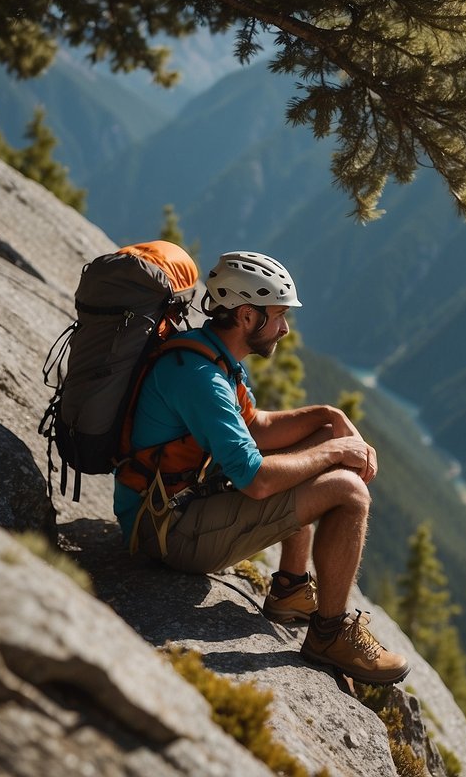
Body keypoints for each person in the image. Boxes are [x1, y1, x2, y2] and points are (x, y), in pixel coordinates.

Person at [113, 250, 410, 685]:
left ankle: (290, 588)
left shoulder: (213, 355)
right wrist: (335, 454)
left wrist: (330, 419)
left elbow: (257, 427)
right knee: (349, 491)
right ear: (247, 316)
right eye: (278, 316)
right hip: (165, 530)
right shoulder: (203, 379)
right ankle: (328, 633)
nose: (285, 328)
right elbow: (255, 480)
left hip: (172, 507)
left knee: (323, 444)